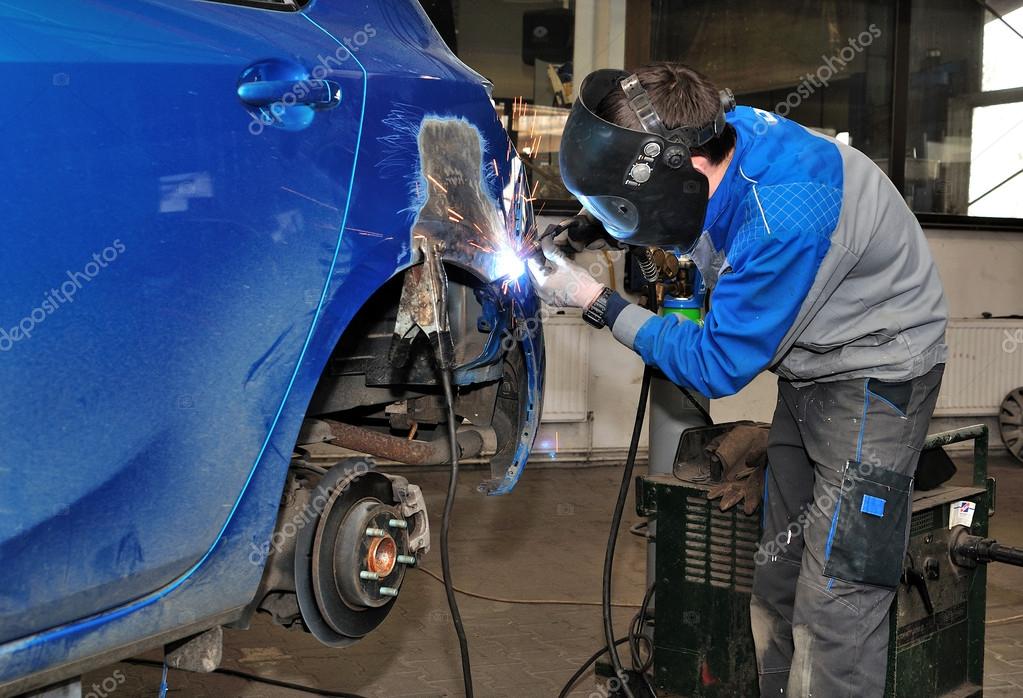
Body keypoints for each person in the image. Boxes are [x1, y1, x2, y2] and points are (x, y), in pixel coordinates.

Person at [528, 62, 948, 697]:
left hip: (879, 377)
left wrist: (596, 302)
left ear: (685, 170)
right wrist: (587, 225)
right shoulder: (718, 132)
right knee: (779, 574)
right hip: (808, 369)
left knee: (840, 597)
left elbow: (716, 364)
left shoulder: (782, 218)